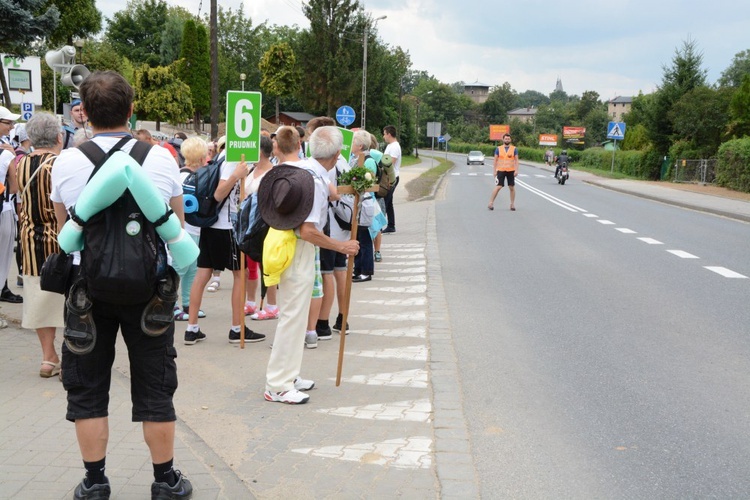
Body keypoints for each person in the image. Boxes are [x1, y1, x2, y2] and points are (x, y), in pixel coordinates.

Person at [50, 70, 193, 499]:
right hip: (151, 290)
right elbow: (177, 227)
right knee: (155, 383)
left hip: (86, 292)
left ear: (85, 114)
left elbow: (64, 232)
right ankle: (165, 480)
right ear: (132, 110)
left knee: (88, 386)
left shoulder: (69, 161)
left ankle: (95, 482)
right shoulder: (162, 157)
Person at [261, 126, 359, 404]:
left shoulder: (304, 167)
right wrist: (342, 246)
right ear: (338, 154)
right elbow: (308, 231)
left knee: (296, 315)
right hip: (297, 248)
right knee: (293, 317)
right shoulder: (313, 179)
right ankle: (278, 385)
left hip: (287, 245)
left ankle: (288, 375)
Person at [183, 132, 265, 345]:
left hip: (212, 225)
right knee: (241, 274)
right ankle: (237, 328)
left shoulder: (224, 156)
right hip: (225, 226)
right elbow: (219, 194)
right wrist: (237, 175)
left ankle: (191, 329)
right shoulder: (232, 158)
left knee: (203, 274)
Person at [17, 112, 66, 378]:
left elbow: (20, 201)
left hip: (28, 239)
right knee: (68, 297)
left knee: (37, 295)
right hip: (58, 239)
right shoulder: (59, 163)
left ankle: (48, 358)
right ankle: (71, 352)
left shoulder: (20, 163)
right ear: (59, 136)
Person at [172, 137, 208, 322]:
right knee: (180, 267)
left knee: (192, 268)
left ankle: (187, 303)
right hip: (185, 229)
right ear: (201, 157)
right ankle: (170, 304)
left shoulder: (190, 175)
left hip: (194, 229)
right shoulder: (183, 176)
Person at [242, 136, 277, 317]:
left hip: (265, 224)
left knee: (267, 265)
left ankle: (271, 305)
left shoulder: (272, 173)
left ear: (261, 152)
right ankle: (250, 302)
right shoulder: (249, 170)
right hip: (248, 223)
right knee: (249, 266)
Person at [0, 106, 22, 304]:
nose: (11, 127)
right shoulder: (6, 153)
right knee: (2, 260)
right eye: (7, 123)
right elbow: (14, 188)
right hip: (3, 209)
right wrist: (12, 160)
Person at [488, 133, 519, 211]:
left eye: (508, 139)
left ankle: (512, 204)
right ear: (503, 139)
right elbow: (495, 161)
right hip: (501, 170)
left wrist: (516, 170)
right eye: (506, 138)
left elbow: (516, 161)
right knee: (498, 186)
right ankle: (491, 203)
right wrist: (494, 171)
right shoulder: (498, 149)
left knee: (511, 187)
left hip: (511, 170)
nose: (507, 140)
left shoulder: (514, 149)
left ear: (510, 140)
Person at [381, 125, 401, 233]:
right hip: (389, 177)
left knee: (385, 202)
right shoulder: (390, 146)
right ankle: (391, 225)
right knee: (388, 202)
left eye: (384, 134)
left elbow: (390, 163)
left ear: (389, 134)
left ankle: (379, 225)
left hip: (392, 178)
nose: (384, 136)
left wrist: (388, 179)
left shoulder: (394, 147)